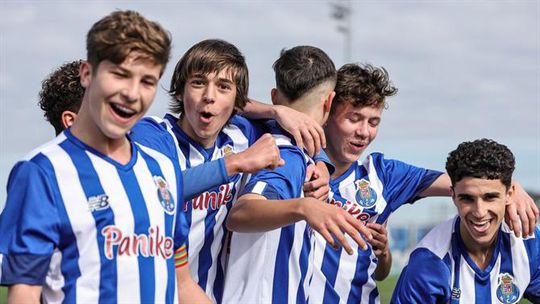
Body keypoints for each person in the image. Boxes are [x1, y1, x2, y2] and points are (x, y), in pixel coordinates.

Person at [0, 10, 209, 303]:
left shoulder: (163, 168)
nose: (132, 93)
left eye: (147, 81)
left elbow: (182, 282)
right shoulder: (43, 172)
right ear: (88, 73)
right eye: (120, 74)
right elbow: (24, 293)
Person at [307, 63, 539, 304]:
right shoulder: (294, 164)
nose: (364, 132)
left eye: (373, 122)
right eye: (354, 119)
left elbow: (468, 181)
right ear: (327, 111)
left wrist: (512, 189)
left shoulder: (385, 175)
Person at [129, 39, 331, 302]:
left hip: (209, 294)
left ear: (238, 102)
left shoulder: (240, 134)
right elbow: (153, 191)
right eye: (198, 82)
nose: (209, 96)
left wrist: (321, 163)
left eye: (224, 87)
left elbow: (297, 132)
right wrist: (235, 163)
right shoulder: (152, 134)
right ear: (180, 91)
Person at [223, 46, 373, 304]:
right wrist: (305, 207)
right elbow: (241, 214)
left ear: (274, 97)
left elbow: (230, 104)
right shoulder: (287, 158)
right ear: (329, 102)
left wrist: (320, 159)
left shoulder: (262, 133)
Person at [391, 138, 540, 303]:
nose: (480, 212)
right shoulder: (428, 262)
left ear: (510, 194)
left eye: (490, 197)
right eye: (467, 199)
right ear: (453, 196)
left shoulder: (529, 245)